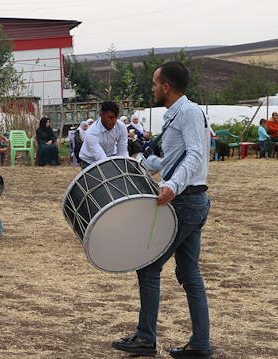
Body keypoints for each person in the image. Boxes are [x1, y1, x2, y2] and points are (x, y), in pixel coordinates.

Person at [111, 62, 213, 359]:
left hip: (183, 201)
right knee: (189, 272)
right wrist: (138, 166)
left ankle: (145, 338)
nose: (152, 88)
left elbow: (195, 154)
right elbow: (171, 160)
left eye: (155, 84)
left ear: (166, 87)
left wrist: (173, 185)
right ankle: (200, 344)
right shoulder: (177, 115)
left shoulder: (190, 112)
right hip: (188, 200)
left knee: (149, 266)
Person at [78, 101, 128, 169]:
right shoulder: (92, 132)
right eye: (110, 117)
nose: (114, 121)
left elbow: (123, 151)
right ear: (101, 115)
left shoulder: (121, 127)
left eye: (116, 117)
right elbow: (101, 157)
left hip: (111, 157)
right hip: (90, 162)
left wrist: (125, 166)